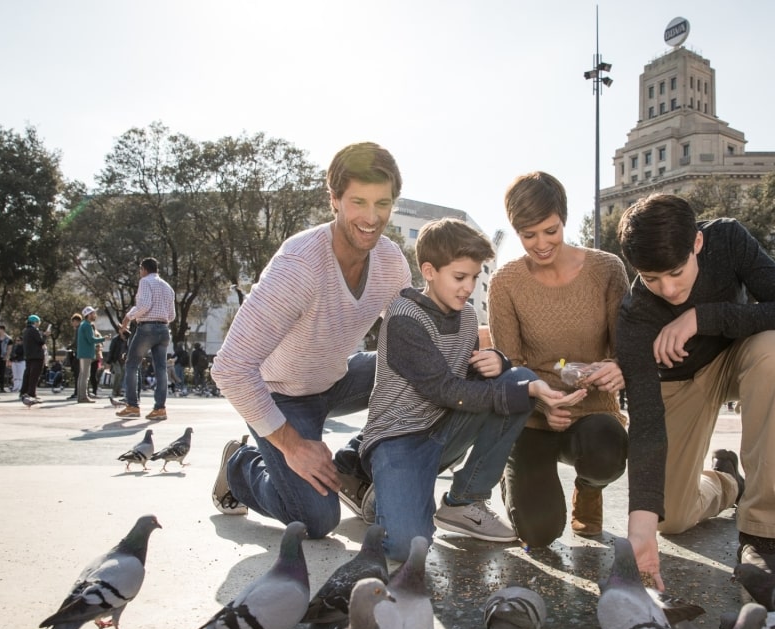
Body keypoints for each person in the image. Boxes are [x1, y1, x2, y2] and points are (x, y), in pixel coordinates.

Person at [210, 142, 413, 539]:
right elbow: (230, 368)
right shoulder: (300, 266)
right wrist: (293, 446)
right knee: (317, 519)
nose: (372, 218)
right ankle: (239, 465)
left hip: (336, 378)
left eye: (382, 204)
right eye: (358, 202)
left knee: (415, 368)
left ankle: (353, 465)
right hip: (282, 395)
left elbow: (412, 337)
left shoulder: (390, 262)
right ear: (334, 199)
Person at [615, 194, 775, 588]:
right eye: (652, 278)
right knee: (669, 517)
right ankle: (727, 482)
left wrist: (703, 317)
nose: (669, 289)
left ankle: (762, 531)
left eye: (676, 272)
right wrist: (641, 530)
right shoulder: (634, 313)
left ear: (697, 244)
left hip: (744, 356)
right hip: (680, 380)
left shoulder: (727, 238)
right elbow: (645, 419)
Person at [356, 218, 584, 560]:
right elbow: (444, 389)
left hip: (442, 430)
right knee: (407, 546)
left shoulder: (465, 318)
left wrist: (500, 362)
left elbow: (468, 377)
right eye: (459, 277)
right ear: (429, 271)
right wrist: (530, 392)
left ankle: (463, 501)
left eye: (475, 277)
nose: (468, 287)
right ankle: (387, 490)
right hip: (398, 440)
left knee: (516, 380)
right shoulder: (404, 318)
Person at [488, 171, 629, 546]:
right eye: (528, 235)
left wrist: (618, 368)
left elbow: (626, 349)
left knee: (607, 452)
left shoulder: (607, 269)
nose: (541, 244)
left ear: (563, 218)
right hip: (533, 419)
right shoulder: (505, 283)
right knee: (539, 533)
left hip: (594, 414)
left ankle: (588, 488)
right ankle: (513, 476)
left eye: (550, 231)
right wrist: (542, 405)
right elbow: (510, 367)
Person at [116, 257, 176, 421]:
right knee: (161, 369)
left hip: (147, 328)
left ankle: (132, 405)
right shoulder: (167, 286)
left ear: (143, 269)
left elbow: (144, 305)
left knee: (132, 364)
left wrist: (127, 318)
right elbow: (172, 315)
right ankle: (160, 408)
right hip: (164, 329)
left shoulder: (145, 282)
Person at [75, 306, 105, 403]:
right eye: (93, 313)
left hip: (83, 353)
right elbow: (91, 340)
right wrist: (103, 338)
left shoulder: (83, 324)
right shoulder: (87, 325)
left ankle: (81, 396)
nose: (94, 315)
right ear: (88, 315)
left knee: (82, 375)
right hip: (86, 353)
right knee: (85, 376)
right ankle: (83, 397)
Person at [21, 315, 49, 401]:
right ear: (35, 322)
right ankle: (31, 392)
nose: (39, 324)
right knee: (34, 375)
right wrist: (45, 336)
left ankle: (24, 391)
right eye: (38, 322)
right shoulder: (34, 330)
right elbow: (41, 342)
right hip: (37, 356)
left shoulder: (26, 331)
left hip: (29, 356)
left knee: (28, 374)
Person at [105, 331, 127, 398]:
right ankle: (114, 391)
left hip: (123, 360)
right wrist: (108, 361)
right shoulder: (115, 340)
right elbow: (111, 350)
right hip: (116, 359)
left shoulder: (127, 340)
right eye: (124, 337)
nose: (125, 338)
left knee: (122, 375)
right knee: (118, 373)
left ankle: (118, 391)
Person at [66, 313, 82, 400]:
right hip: (81, 354)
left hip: (78, 354)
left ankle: (77, 392)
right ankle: (79, 392)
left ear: (76, 321)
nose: (72, 324)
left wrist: (69, 346)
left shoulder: (78, 329)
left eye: (73, 322)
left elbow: (76, 342)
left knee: (77, 374)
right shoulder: (81, 328)